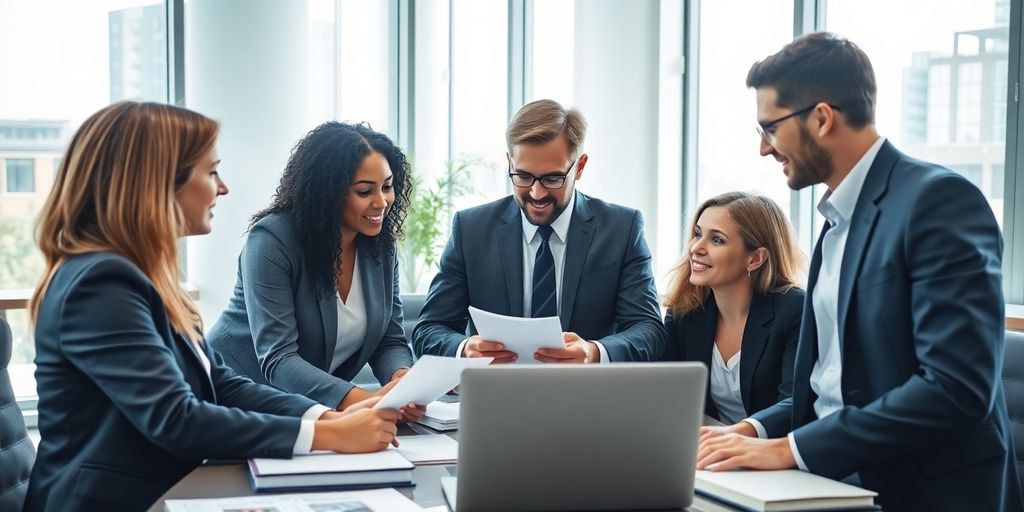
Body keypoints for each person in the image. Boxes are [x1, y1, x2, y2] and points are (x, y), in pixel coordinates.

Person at [696, 32, 1023, 511]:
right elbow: (827, 385)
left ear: (822, 118)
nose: (764, 149)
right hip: (828, 477)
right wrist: (755, 436)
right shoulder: (835, 225)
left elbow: (956, 389)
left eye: (770, 128)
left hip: (920, 491)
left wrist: (789, 450)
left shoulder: (938, 201)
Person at [25, 102, 400, 511]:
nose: (222, 188)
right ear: (158, 182)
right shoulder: (100, 284)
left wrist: (327, 419)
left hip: (174, 488)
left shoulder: (141, 275)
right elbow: (176, 418)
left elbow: (221, 382)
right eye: (211, 171)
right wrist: (329, 436)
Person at [412, 99, 664, 363]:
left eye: (552, 178)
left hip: (589, 396)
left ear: (579, 167)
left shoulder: (621, 230)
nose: (537, 193)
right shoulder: (471, 230)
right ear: (509, 162)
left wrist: (594, 352)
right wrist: (464, 348)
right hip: (496, 396)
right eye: (522, 176)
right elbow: (428, 330)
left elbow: (648, 331)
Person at [208, 122, 423, 421]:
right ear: (328, 192)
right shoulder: (272, 240)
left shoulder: (381, 246)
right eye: (364, 191)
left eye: (387, 187)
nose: (382, 202)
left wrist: (402, 380)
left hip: (310, 410)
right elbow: (279, 357)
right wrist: (365, 401)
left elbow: (389, 338)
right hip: (234, 402)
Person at [661, 192, 805, 424]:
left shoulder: (794, 309)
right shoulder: (684, 313)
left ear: (755, 258)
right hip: (704, 450)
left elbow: (796, 404)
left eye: (717, 239)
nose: (696, 247)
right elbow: (664, 395)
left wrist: (736, 437)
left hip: (770, 452)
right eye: (698, 234)